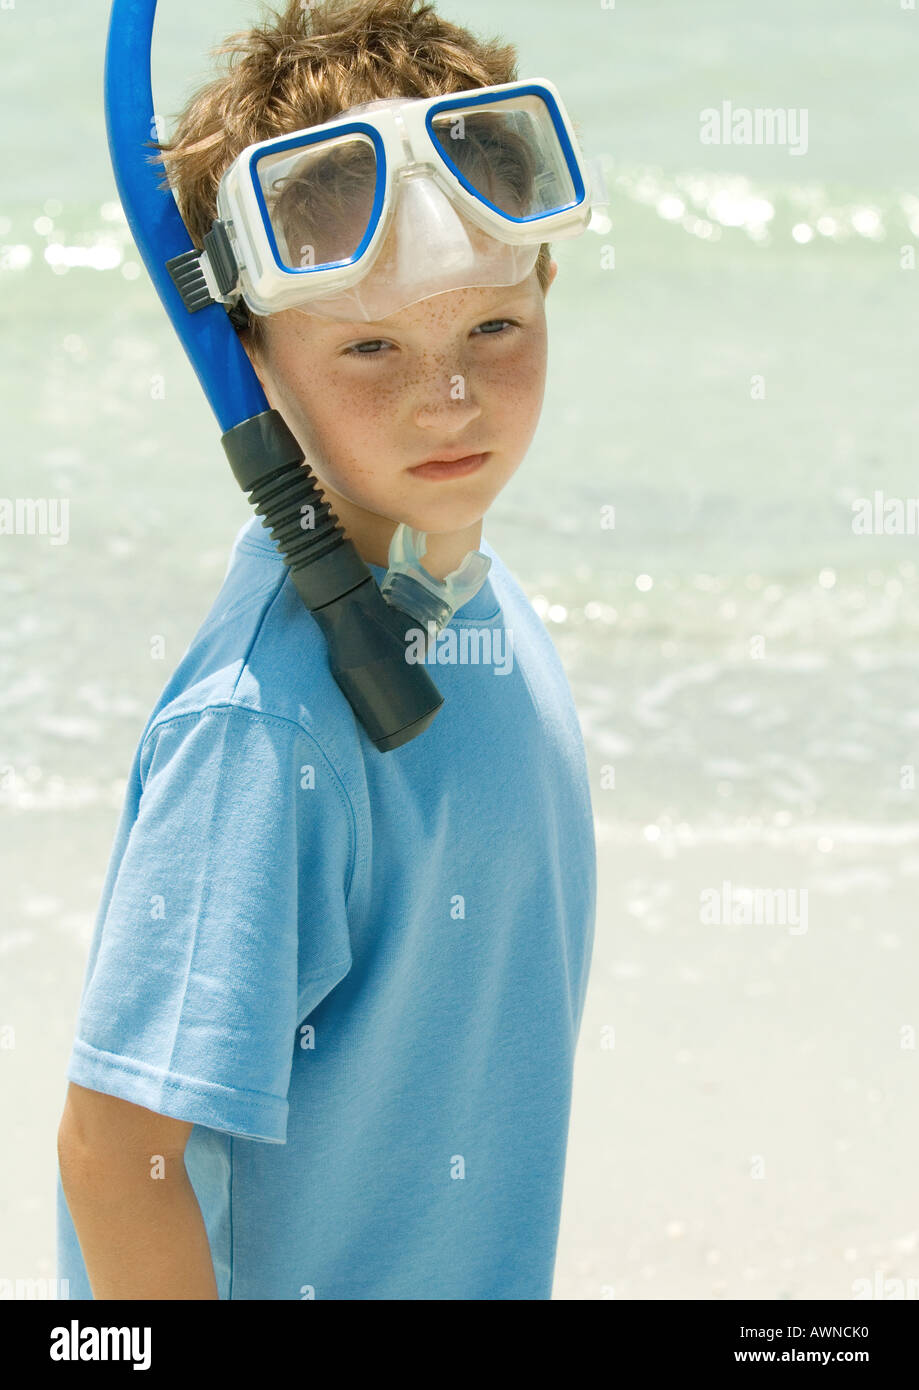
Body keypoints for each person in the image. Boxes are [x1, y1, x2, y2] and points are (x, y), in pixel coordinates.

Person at [56, 0, 597, 1300]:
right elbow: (115, 1150)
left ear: (548, 285)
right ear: (247, 356)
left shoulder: (481, 607)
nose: (448, 397)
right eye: (369, 347)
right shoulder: (268, 721)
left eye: (493, 329)